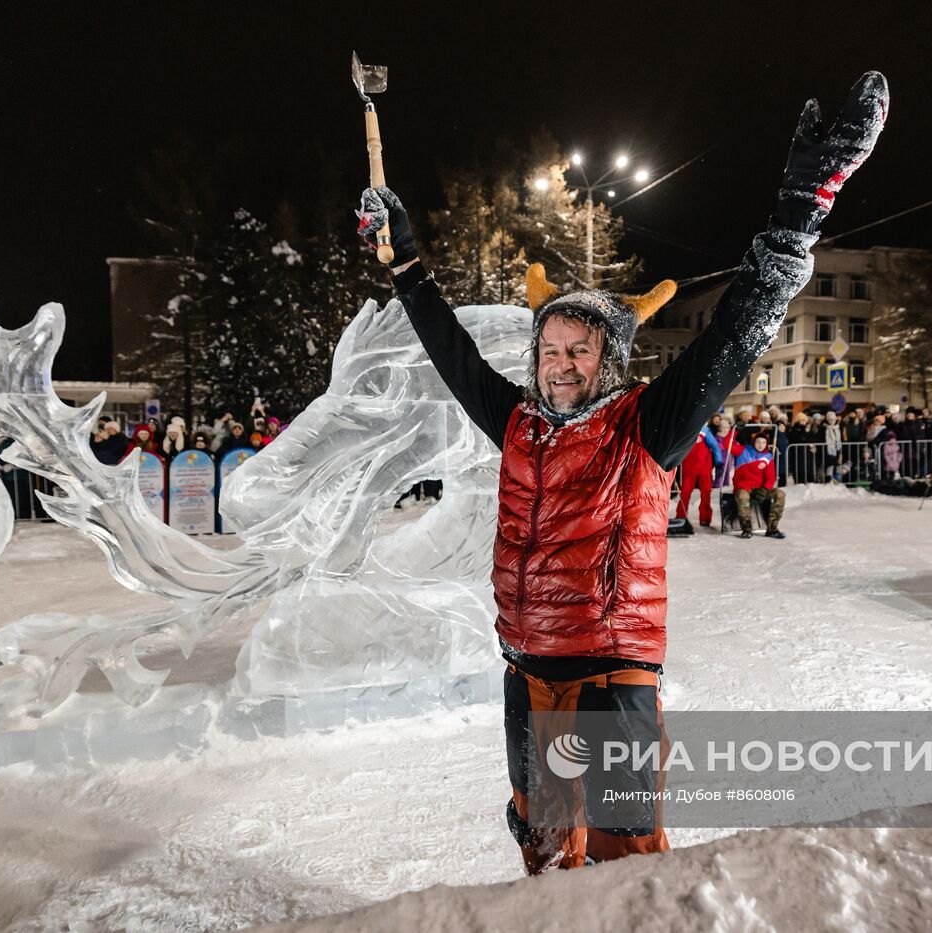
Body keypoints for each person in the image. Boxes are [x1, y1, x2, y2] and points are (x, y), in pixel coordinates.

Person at [357, 73, 886, 873]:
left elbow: (736, 334)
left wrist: (802, 210)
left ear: (609, 359)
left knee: (624, 857)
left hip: (610, 673)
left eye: (580, 349)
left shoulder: (647, 423)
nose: (561, 364)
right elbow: (450, 351)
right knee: (541, 839)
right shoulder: (519, 423)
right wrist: (404, 267)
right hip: (527, 670)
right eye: (549, 348)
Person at [729, 431, 786, 539]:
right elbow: (728, 445)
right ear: (754, 442)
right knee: (742, 496)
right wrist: (734, 432)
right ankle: (746, 529)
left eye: (764, 443)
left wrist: (765, 489)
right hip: (744, 487)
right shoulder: (743, 450)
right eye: (758, 442)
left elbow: (771, 477)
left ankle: (772, 528)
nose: (761, 445)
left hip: (760, 488)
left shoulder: (768, 457)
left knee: (780, 494)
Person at [676, 426, 722, 528]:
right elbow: (677, 446)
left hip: (704, 468)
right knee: (685, 493)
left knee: (705, 493)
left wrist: (719, 463)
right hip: (688, 468)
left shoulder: (705, 431)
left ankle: (705, 518)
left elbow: (715, 447)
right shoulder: (684, 429)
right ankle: (681, 516)